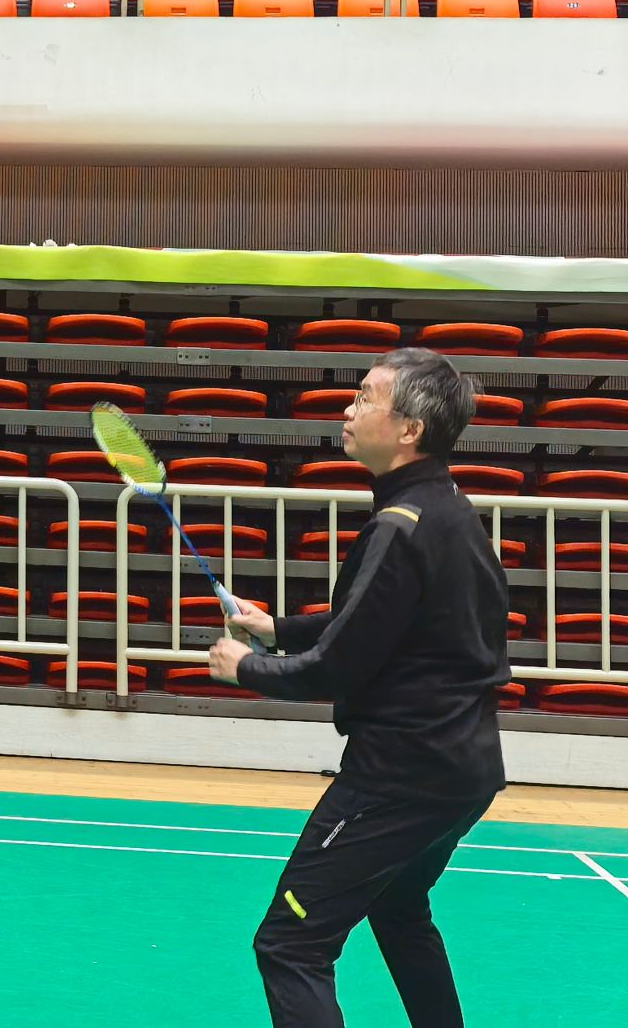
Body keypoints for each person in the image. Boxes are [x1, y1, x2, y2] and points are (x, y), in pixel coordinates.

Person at [209, 348, 509, 1028]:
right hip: (464, 770)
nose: (348, 410)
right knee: (399, 909)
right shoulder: (448, 511)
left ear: (410, 429)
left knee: (290, 944)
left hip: (399, 777)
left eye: (365, 398)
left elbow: (337, 667)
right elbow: (383, 620)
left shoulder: (399, 528)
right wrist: (277, 628)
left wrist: (244, 667)